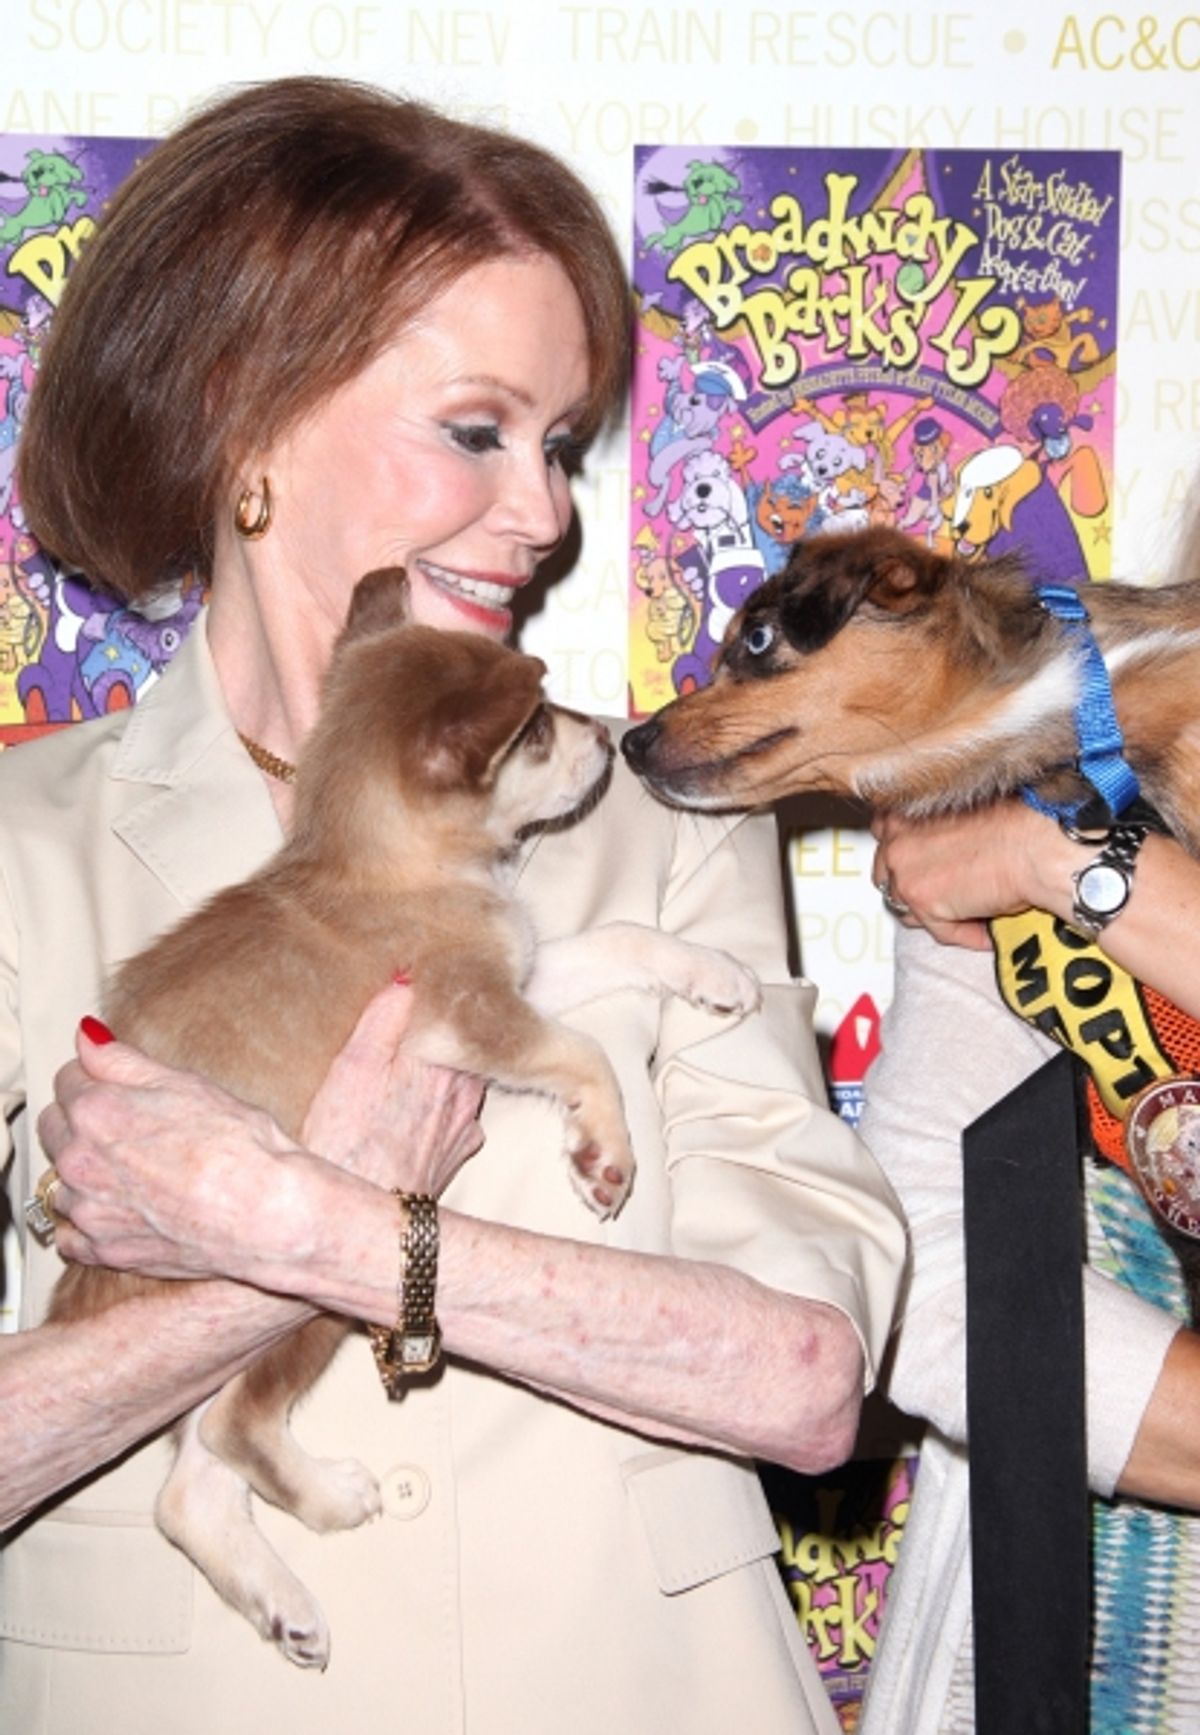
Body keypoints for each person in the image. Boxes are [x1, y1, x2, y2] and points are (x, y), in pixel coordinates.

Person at [0, 78, 906, 1735]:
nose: (548, 513)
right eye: (478, 431)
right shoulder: (19, 853)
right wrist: (263, 1280)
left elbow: (805, 1377)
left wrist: (320, 1231)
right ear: (246, 410)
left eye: (556, 447)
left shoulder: (657, 817)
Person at [859, 792, 1200, 1734]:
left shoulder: (1034, 834)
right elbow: (931, 1284)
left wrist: (1071, 867)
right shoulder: (1040, 779)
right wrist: (1047, 842)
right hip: (1051, 1647)